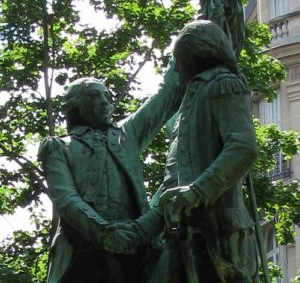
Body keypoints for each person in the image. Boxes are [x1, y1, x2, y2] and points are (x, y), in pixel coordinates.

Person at [135, 20, 259, 282]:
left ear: (196, 54)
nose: (177, 68)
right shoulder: (188, 102)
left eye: (179, 59)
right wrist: (145, 226)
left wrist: (197, 191)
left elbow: (242, 147)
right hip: (183, 233)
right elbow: (174, 176)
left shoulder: (225, 85)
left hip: (221, 231)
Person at [38, 61, 182, 283]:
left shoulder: (128, 134)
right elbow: (66, 198)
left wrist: (184, 50)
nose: (105, 102)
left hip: (136, 249)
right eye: (95, 96)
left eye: (107, 97)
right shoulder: (57, 147)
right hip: (83, 253)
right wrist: (104, 233)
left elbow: (166, 95)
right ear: (75, 104)